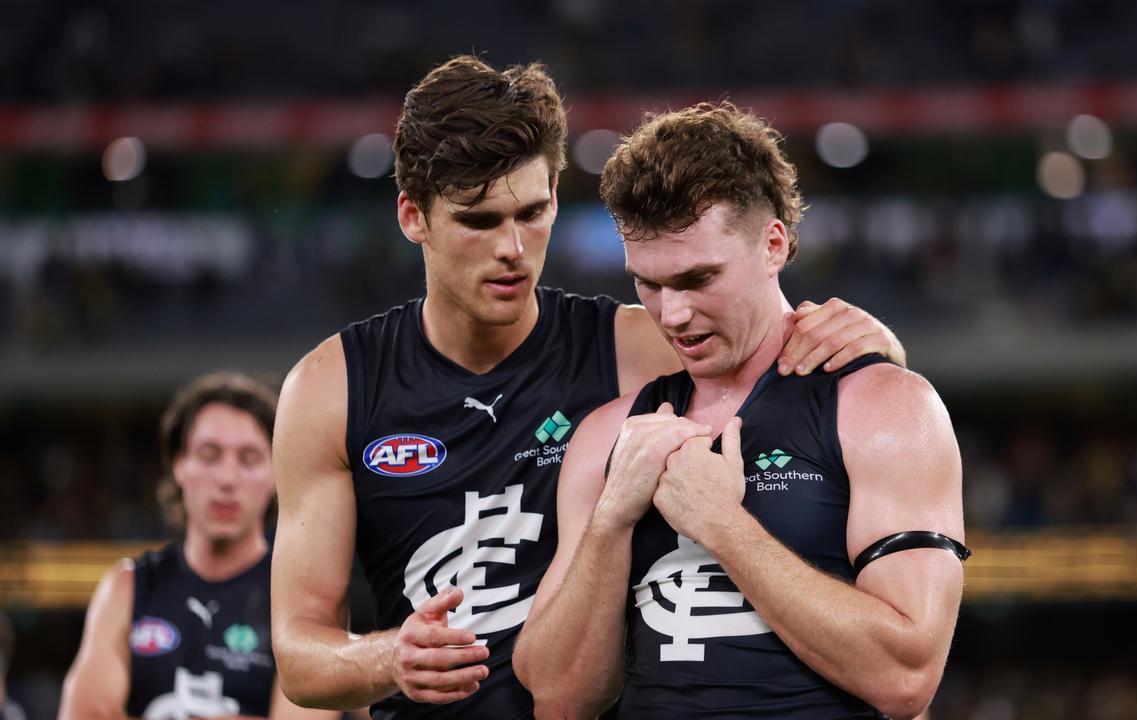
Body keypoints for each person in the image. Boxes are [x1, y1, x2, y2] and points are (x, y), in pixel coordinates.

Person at [270, 56, 908, 720]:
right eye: (479, 221)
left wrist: (876, 344)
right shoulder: (331, 389)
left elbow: (789, 365)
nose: (513, 247)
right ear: (413, 216)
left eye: (533, 211)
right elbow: (298, 655)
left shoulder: (638, 347)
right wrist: (389, 659)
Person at [514, 102, 968, 719]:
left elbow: (906, 674)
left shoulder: (886, 408)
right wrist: (613, 518)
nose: (671, 315)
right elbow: (557, 695)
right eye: (648, 284)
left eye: (698, 278)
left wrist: (719, 523)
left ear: (773, 244)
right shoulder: (608, 437)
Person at [58, 372, 338, 720]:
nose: (227, 479)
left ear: (275, 473)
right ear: (179, 466)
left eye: (249, 458)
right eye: (210, 455)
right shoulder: (126, 588)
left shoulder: (303, 600)